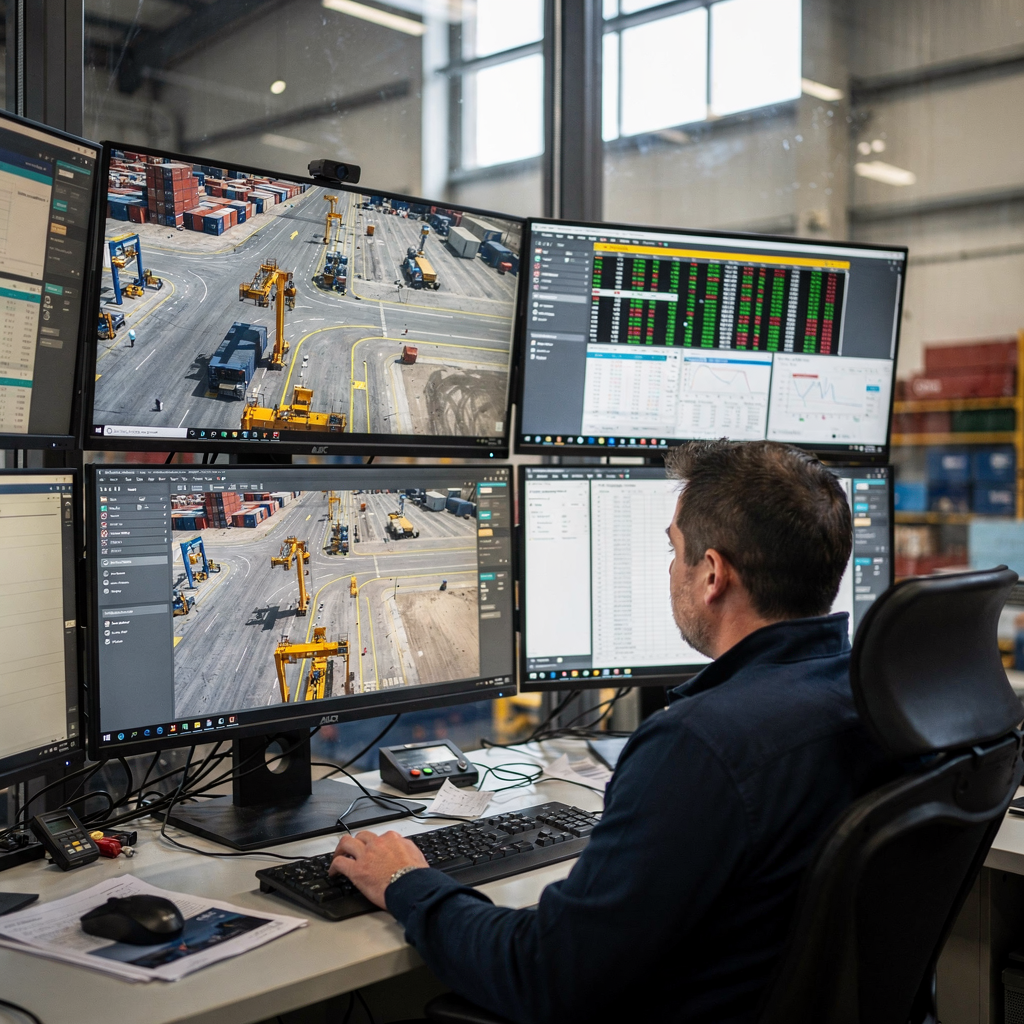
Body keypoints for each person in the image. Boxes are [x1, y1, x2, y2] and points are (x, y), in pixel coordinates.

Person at [329, 441, 893, 1024]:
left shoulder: (699, 745)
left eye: (673, 550)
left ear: (713, 574)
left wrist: (408, 882)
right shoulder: (880, 701)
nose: (671, 568)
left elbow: (543, 976)